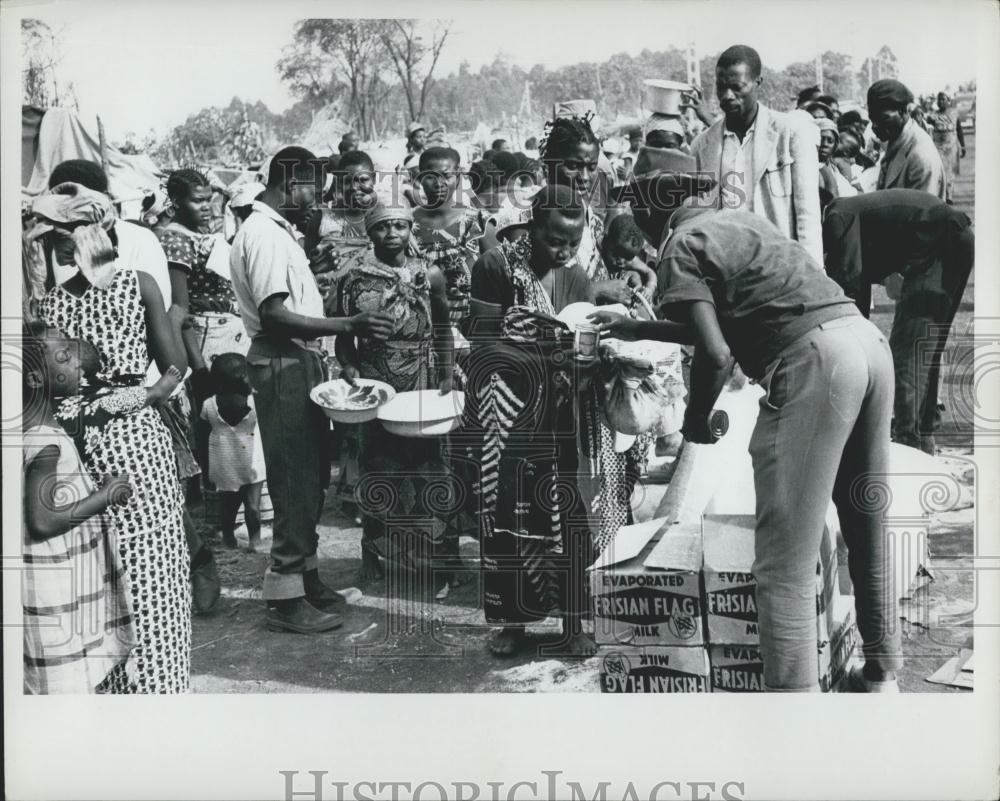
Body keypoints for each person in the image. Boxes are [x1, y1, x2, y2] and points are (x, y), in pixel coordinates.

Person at [590, 206, 903, 692]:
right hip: (866, 343)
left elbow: (715, 355)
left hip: (817, 363)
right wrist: (641, 328)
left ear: (654, 223)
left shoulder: (679, 244)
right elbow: (726, 331)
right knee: (865, 522)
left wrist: (696, 419)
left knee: (784, 562)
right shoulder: (740, 222)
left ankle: (791, 721)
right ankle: (883, 670)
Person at [33, 182, 193, 693]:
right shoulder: (139, 283)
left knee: (107, 564)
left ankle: (119, 688)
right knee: (154, 564)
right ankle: (161, 685)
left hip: (81, 442)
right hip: (139, 439)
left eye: (57, 235)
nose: (50, 244)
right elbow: (175, 368)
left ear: (79, 238)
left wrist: (94, 403)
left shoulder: (51, 306)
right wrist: (138, 394)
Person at [228, 145, 394, 634]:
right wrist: (348, 323)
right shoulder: (263, 234)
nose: (318, 197)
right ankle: (284, 597)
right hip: (280, 360)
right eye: (314, 186)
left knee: (312, 473)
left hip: (297, 358)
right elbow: (275, 314)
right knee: (294, 478)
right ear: (293, 181)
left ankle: (307, 579)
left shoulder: (278, 233)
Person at [44, 160, 221, 616]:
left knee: (156, 519)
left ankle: (196, 566)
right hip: (82, 417)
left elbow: (167, 317)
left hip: (145, 398)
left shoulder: (139, 243)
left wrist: (148, 392)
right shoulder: (51, 263)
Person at [466, 185, 599, 658]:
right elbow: (481, 342)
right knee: (508, 511)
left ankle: (573, 620)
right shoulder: (496, 266)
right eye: (554, 241)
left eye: (573, 242)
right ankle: (513, 623)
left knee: (567, 513)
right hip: (507, 410)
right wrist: (541, 353)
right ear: (533, 228)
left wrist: (583, 360)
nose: (564, 252)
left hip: (562, 411)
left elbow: (586, 338)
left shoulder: (577, 277)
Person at [335, 193, 458, 596]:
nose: (392, 233)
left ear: (410, 229)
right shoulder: (354, 277)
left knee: (430, 468)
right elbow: (344, 332)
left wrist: (444, 372)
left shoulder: (430, 274)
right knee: (378, 466)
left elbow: (442, 327)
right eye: (383, 226)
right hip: (377, 382)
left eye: (400, 225)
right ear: (370, 232)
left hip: (422, 379)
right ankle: (373, 551)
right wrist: (350, 367)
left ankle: (439, 560)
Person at [21, 322, 142, 694]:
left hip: (51, 584)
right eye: (65, 355)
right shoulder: (45, 442)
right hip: (51, 588)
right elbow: (41, 521)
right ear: (35, 379)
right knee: (62, 687)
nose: (78, 362)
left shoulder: (33, 430)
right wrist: (105, 495)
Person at [823, 189, 974, 454]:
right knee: (927, 346)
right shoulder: (853, 213)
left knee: (907, 352)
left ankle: (909, 443)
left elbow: (848, 284)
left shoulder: (837, 216)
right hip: (955, 238)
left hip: (938, 243)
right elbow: (857, 291)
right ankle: (924, 437)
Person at [689, 45, 824, 266]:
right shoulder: (702, 146)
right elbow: (695, 218)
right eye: (721, 87)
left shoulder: (791, 133)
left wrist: (813, 276)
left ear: (757, 82)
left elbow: (807, 216)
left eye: (736, 87)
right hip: (726, 270)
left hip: (781, 267)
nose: (726, 96)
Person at [410, 146, 486, 333]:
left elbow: (498, 278)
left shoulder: (477, 223)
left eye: (447, 175)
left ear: (458, 177)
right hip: (421, 328)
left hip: (471, 327)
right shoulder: (405, 225)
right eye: (430, 176)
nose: (439, 183)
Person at [201, 353, 266, 551]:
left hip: (253, 463)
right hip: (225, 464)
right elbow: (203, 438)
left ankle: (255, 540)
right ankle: (229, 537)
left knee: (253, 507)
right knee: (229, 509)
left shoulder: (256, 402)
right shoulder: (210, 406)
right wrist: (206, 470)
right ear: (239, 381)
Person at [868, 79, 946, 200]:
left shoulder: (921, 156)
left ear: (903, 111)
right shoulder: (896, 141)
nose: (874, 126)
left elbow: (922, 214)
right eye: (872, 119)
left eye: (883, 118)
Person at [925, 92, 967, 204]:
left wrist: (962, 146)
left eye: (944, 99)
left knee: (950, 172)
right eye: (939, 99)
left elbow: (959, 130)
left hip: (951, 147)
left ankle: (949, 195)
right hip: (938, 147)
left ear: (949, 101)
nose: (941, 102)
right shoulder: (932, 115)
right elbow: (924, 126)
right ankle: (941, 194)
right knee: (940, 171)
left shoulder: (954, 113)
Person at [815, 118, 857, 205]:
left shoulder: (834, 167)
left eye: (830, 141)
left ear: (835, 145)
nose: (825, 144)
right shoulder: (809, 166)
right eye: (821, 139)